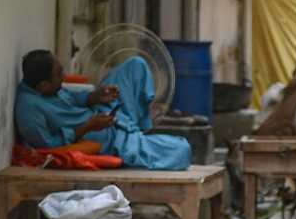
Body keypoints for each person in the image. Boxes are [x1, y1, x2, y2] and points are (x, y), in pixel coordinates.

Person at [15, 49, 192, 170]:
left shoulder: (47, 88)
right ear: (44, 86)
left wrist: (96, 96)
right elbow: (50, 148)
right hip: (102, 136)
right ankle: (134, 142)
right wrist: (88, 126)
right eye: (59, 74)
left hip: (101, 115)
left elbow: (71, 97)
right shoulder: (29, 110)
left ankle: (137, 131)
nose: (64, 77)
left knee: (136, 66)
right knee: (182, 149)